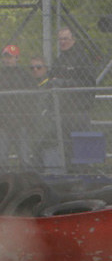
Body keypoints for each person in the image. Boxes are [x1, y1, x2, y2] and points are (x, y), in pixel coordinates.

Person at [47, 27, 96, 168]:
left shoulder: (82, 58)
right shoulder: (60, 60)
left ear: (73, 40)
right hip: (62, 111)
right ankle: (69, 176)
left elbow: (88, 84)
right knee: (66, 149)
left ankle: (84, 176)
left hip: (79, 111)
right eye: (60, 39)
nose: (62, 42)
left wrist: (64, 84)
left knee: (81, 149)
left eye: (66, 39)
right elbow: (52, 78)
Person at [0, 45, 35, 168]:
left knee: (25, 159)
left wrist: (30, 120)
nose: (8, 60)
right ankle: (4, 182)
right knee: (2, 159)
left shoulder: (25, 76)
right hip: (3, 123)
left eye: (11, 57)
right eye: (6, 57)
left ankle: (26, 181)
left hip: (21, 122)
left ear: (17, 58)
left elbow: (32, 100)